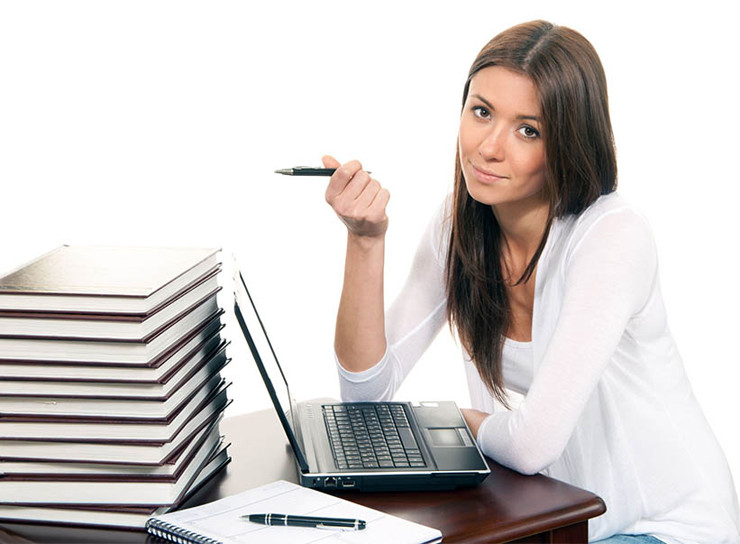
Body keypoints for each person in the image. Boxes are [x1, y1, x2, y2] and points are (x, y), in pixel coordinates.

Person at [320, 19, 740, 544]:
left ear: (569, 143)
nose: (489, 148)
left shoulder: (611, 235)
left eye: (528, 130)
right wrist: (365, 240)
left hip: (665, 525)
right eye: (482, 112)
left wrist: (459, 423)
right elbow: (364, 396)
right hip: (568, 515)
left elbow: (530, 444)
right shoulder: (457, 225)